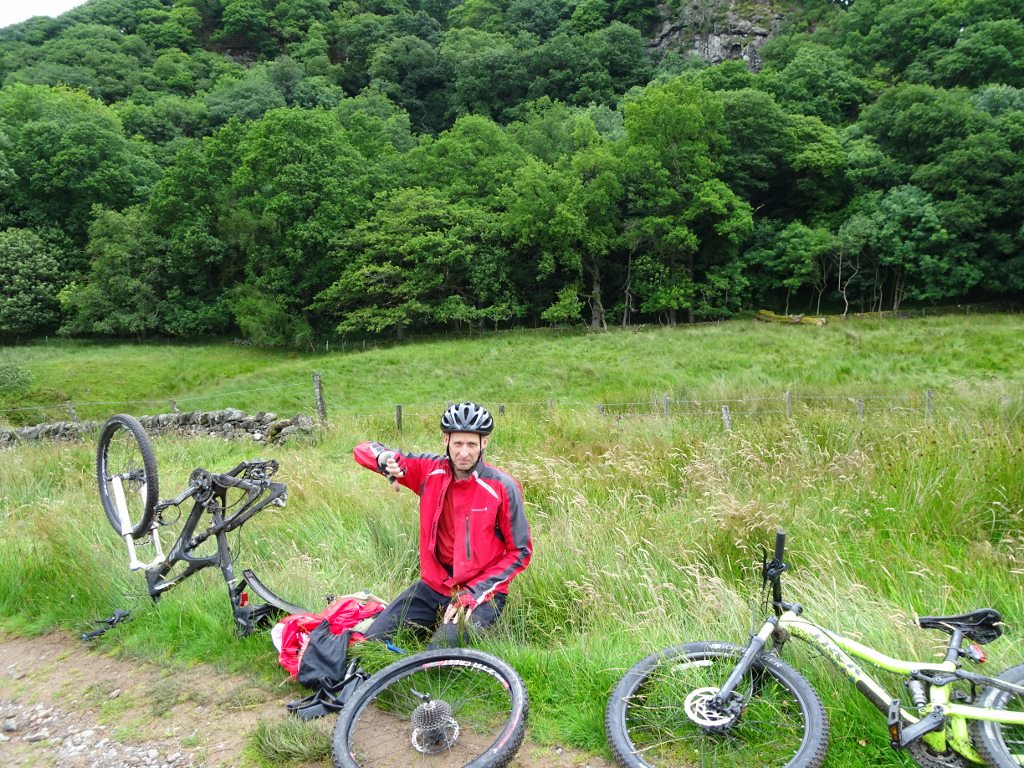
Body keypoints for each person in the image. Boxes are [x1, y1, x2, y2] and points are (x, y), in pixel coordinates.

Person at [352, 401, 532, 647]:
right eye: (458, 443)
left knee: (437, 657)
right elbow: (363, 450)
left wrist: (476, 592)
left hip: (480, 593)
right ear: (446, 439)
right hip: (433, 586)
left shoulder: (502, 486)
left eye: (471, 444)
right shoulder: (429, 471)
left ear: (484, 443)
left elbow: (519, 552)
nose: (464, 452)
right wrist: (384, 459)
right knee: (371, 642)